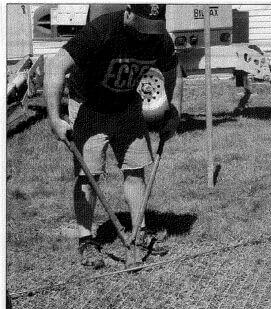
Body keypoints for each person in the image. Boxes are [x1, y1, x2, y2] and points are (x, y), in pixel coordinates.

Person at [45, 4, 183, 269]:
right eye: (143, 27)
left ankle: (138, 232)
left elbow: (171, 73)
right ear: (129, 11)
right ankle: (86, 241)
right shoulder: (103, 30)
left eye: (153, 28)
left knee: (136, 169)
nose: (146, 35)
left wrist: (172, 113)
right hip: (90, 105)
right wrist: (54, 119)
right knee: (89, 175)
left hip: (127, 105)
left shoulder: (159, 39)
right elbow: (56, 66)